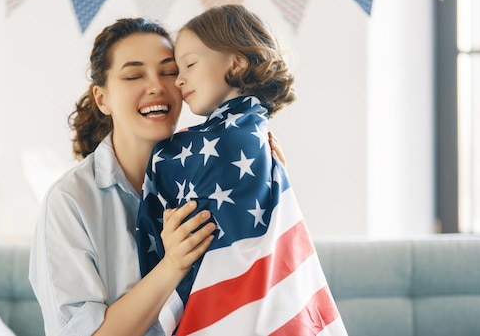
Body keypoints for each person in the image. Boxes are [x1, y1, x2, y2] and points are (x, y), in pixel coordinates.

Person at [28, 17, 286, 336]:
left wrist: (271, 189)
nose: (157, 86)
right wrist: (171, 266)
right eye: (134, 75)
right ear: (102, 98)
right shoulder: (70, 201)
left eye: (169, 72)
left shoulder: (210, 173)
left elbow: (255, 286)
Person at [136, 5, 348, 335]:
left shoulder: (192, 151)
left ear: (236, 61)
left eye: (190, 64)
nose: (179, 80)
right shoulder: (257, 138)